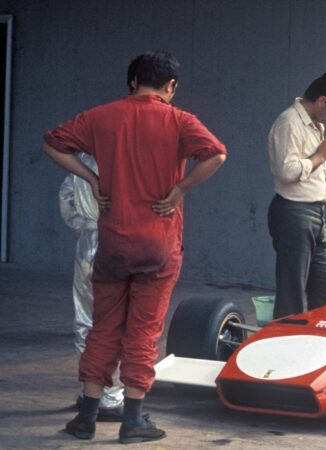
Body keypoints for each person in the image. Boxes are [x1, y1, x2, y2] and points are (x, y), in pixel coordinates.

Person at [43, 51, 227, 443]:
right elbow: (216, 154)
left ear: (132, 81)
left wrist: (92, 179)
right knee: (143, 331)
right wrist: (179, 190)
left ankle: (86, 418)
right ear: (171, 86)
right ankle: (133, 420)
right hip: (158, 244)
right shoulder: (180, 120)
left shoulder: (101, 116)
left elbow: (53, 144)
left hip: (113, 241)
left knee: (103, 327)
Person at [60, 59, 143, 422]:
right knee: (125, 319)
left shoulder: (89, 149)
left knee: (90, 319)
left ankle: (93, 393)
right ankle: (114, 398)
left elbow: (68, 203)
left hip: (93, 241)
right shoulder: (143, 149)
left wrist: (85, 226)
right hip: (134, 240)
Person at [267, 71, 326, 318]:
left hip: (315, 210)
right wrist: (320, 156)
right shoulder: (289, 122)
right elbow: (287, 171)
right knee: (292, 288)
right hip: (294, 210)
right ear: (321, 100)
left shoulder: (315, 124)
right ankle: (286, 342)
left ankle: (319, 339)